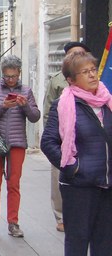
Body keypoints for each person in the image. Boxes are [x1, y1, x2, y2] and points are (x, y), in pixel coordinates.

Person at [41, 51, 112, 256]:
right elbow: (48, 142)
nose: (92, 74)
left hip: (107, 182)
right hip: (79, 184)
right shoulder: (64, 105)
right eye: (85, 71)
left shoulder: (107, 101)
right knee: (78, 236)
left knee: (105, 237)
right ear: (71, 79)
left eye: (93, 69)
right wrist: (72, 167)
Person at [0, 55, 41, 238]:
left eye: (14, 76)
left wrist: (25, 107)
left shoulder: (26, 91)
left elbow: (35, 116)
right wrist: (3, 106)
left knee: (14, 184)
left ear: (19, 73)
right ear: (2, 74)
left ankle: (13, 223)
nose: (11, 80)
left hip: (17, 143)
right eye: (7, 76)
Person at [44, 41, 91, 233]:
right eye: (73, 54)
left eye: (81, 53)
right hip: (64, 142)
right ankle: (61, 216)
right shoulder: (57, 81)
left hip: (87, 142)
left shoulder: (95, 82)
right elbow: (48, 112)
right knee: (59, 179)